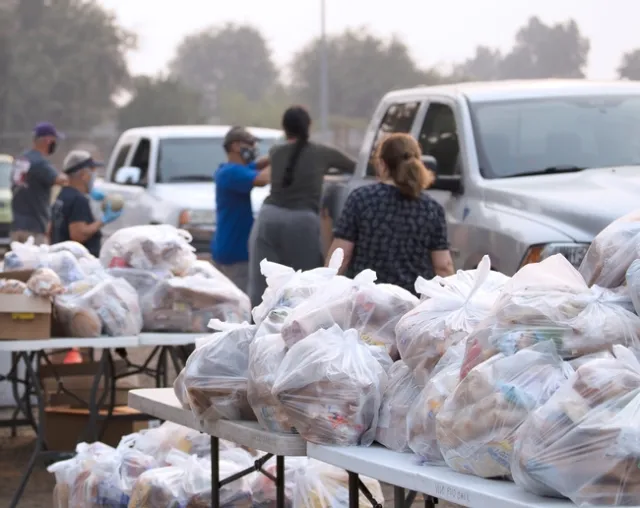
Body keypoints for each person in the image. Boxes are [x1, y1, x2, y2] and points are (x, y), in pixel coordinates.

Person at [248, 105, 356, 307]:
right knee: (304, 289)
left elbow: (260, 163)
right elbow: (356, 167)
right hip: (303, 222)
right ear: (309, 126)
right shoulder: (323, 153)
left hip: (268, 218)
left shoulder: (276, 151)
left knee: (263, 288)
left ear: (284, 127)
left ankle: (259, 333)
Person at [326, 133, 454, 294]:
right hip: (412, 306)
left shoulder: (361, 199)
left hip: (366, 303)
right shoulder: (432, 209)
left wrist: (324, 290)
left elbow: (341, 256)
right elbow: (443, 266)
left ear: (381, 164)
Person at [212, 127, 271, 292]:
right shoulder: (231, 172)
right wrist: (282, 158)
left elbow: (259, 164)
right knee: (240, 305)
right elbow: (262, 179)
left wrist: (277, 153)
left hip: (228, 249)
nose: (254, 149)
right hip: (236, 254)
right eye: (250, 144)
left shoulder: (231, 170)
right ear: (236, 146)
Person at [50, 150, 122, 257]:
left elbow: (50, 229)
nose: (94, 176)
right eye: (92, 171)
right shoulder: (78, 199)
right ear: (83, 175)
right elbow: (78, 235)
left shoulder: (63, 195)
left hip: (62, 255)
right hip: (79, 261)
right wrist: (103, 220)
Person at [10, 122, 69, 244]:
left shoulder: (21, 159)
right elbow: (61, 180)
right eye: (54, 140)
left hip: (16, 225)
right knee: (34, 261)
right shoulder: (40, 163)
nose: (55, 144)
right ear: (47, 140)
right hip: (34, 228)